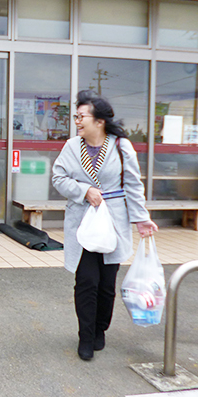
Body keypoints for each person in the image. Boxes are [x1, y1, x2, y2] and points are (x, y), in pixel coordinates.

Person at [52, 90, 158, 361]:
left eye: (81, 116)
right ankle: (85, 336)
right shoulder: (71, 147)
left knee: (107, 285)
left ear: (99, 120)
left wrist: (142, 220)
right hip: (83, 224)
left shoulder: (122, 146)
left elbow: (133, 186)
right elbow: (58, 178)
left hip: (113, 222)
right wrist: (84, 190)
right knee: (86, 281)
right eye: (76, 116)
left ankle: (100, 329)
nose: (77, 121)